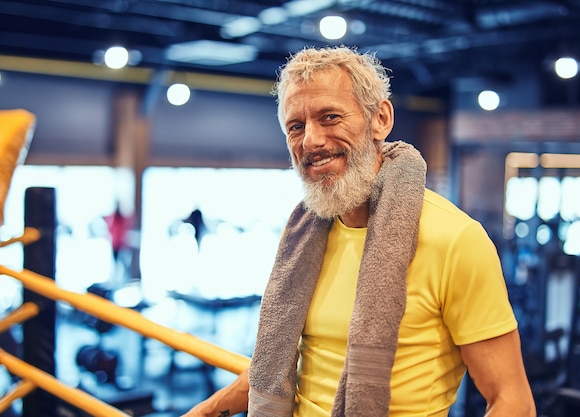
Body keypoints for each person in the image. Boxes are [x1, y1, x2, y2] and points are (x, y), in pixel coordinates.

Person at [182, 45, 536, 417]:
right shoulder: (303, 237)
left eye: (330, 117)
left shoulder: (455, 239)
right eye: (296, 126)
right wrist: (207, 410)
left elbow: (512, 401)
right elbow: (279, 368)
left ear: (380, 119)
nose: (311, 141)